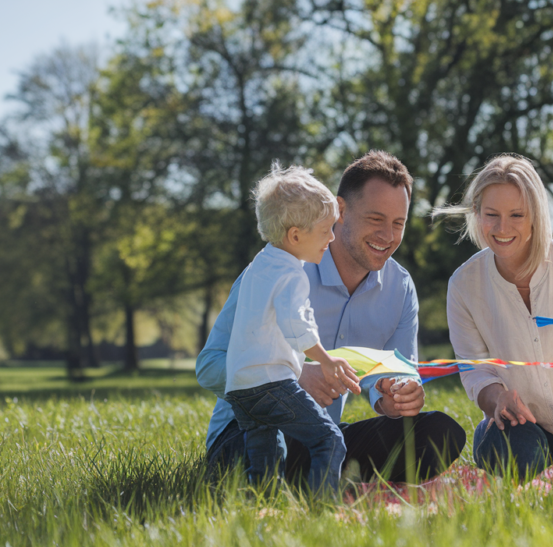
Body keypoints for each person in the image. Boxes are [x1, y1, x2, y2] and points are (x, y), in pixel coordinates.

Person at [199, 151, 466, 484]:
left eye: (398, 223)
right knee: (270, 449)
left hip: (321, 437)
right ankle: (317, 480)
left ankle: (317, 479)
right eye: (375, 219)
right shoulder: (274, 270)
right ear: (340, 210)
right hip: (248, 433)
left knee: (439, 432)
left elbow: (398, 370)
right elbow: (209, 366)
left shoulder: (400, 287)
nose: (388, 235)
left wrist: (396, 394)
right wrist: (290, 380)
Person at [436, 154, 553, 479]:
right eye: (491, 215)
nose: (503, 228)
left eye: (517, 214)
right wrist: (496, 398)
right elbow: (474, 368)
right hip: (521, 425)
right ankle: (527, 458)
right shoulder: (464, 283)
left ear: (536, 216)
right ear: (477, 213)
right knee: (522, 454)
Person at [223, 164, 359, 492]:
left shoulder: (259, 265)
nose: (332, 237)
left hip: (240, 388)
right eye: (326, 229)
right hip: (270, 384)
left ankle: (263, 508)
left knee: (267, 454)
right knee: (329, 440)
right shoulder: (291, 274)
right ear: (295, 236)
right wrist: (326, 361)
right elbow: (295, 323)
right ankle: (323, 508)